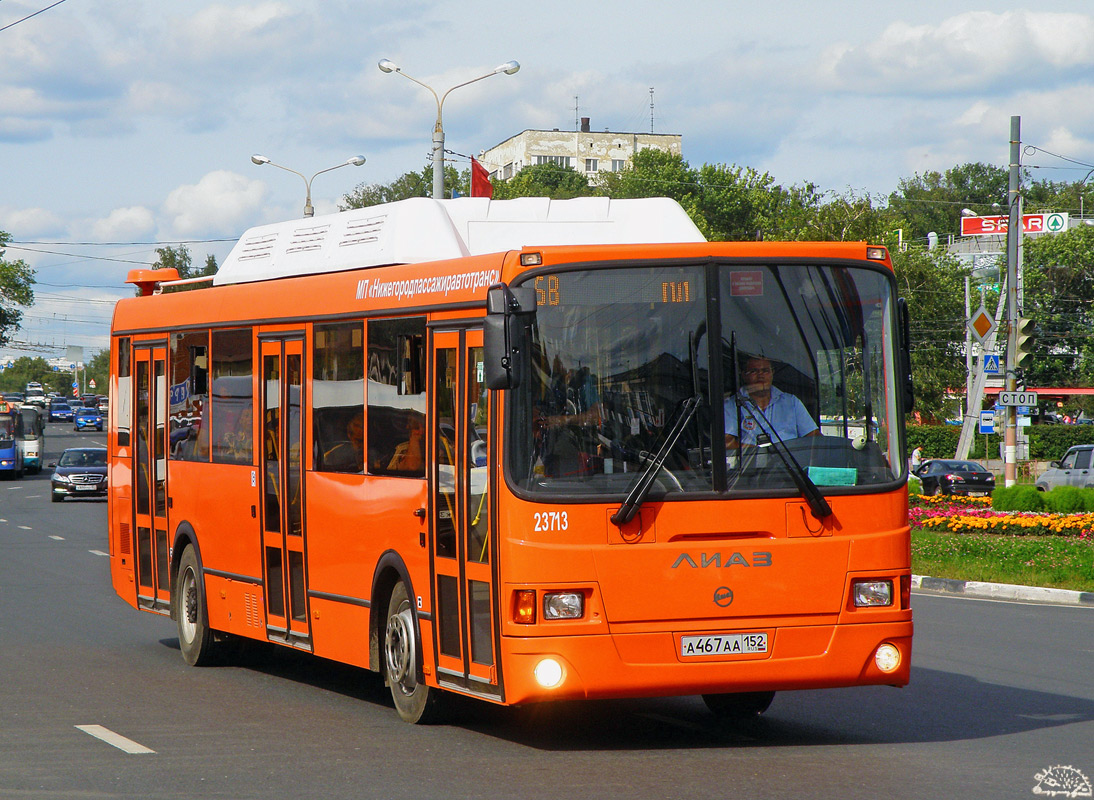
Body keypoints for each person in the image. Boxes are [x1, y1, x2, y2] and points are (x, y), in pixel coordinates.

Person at [724, 355, 818, 448]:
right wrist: (760, 454)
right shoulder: (732, 404)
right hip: (750, 461)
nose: (760, 375)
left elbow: (814, 437)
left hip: (790, 461)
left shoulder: (792, 402)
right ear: (744, 375)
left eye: (765, 371)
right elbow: (727, 443)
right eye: (753, 371)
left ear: (772, 373)